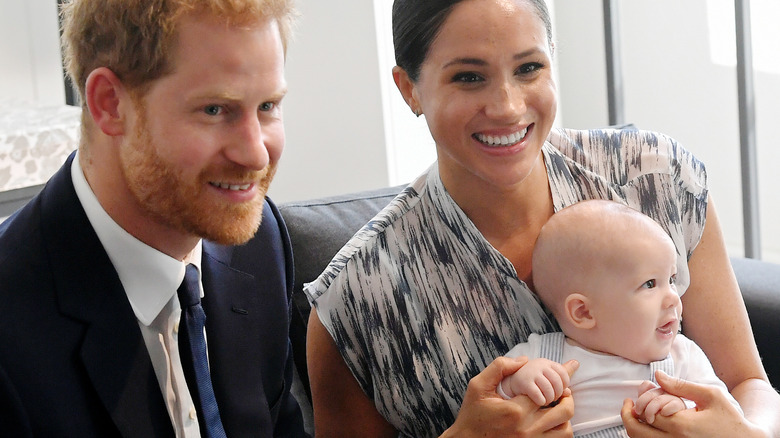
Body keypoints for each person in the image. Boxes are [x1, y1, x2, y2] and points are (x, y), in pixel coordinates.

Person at [304, 0, 780, 436]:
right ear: (409, 88)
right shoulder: (356, 300)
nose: (508, 107)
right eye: (469, 77)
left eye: (529, 67)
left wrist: (747, 434)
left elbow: (748, 383)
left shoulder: (654, 177)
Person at [0, 0, 306, 436]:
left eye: (268, 106)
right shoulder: (12, 341)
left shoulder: (257, 242)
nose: (255, 153)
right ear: (109, 104)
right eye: (215, 110)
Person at [497, 199, 742, 436]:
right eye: (649, 284)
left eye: (671, 280)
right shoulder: (540, 357)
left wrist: (683, 409)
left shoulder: (684, 357)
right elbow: (491, 409)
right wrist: (516, 384)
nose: (673, 298)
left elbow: (726, 418)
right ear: (583, 312)